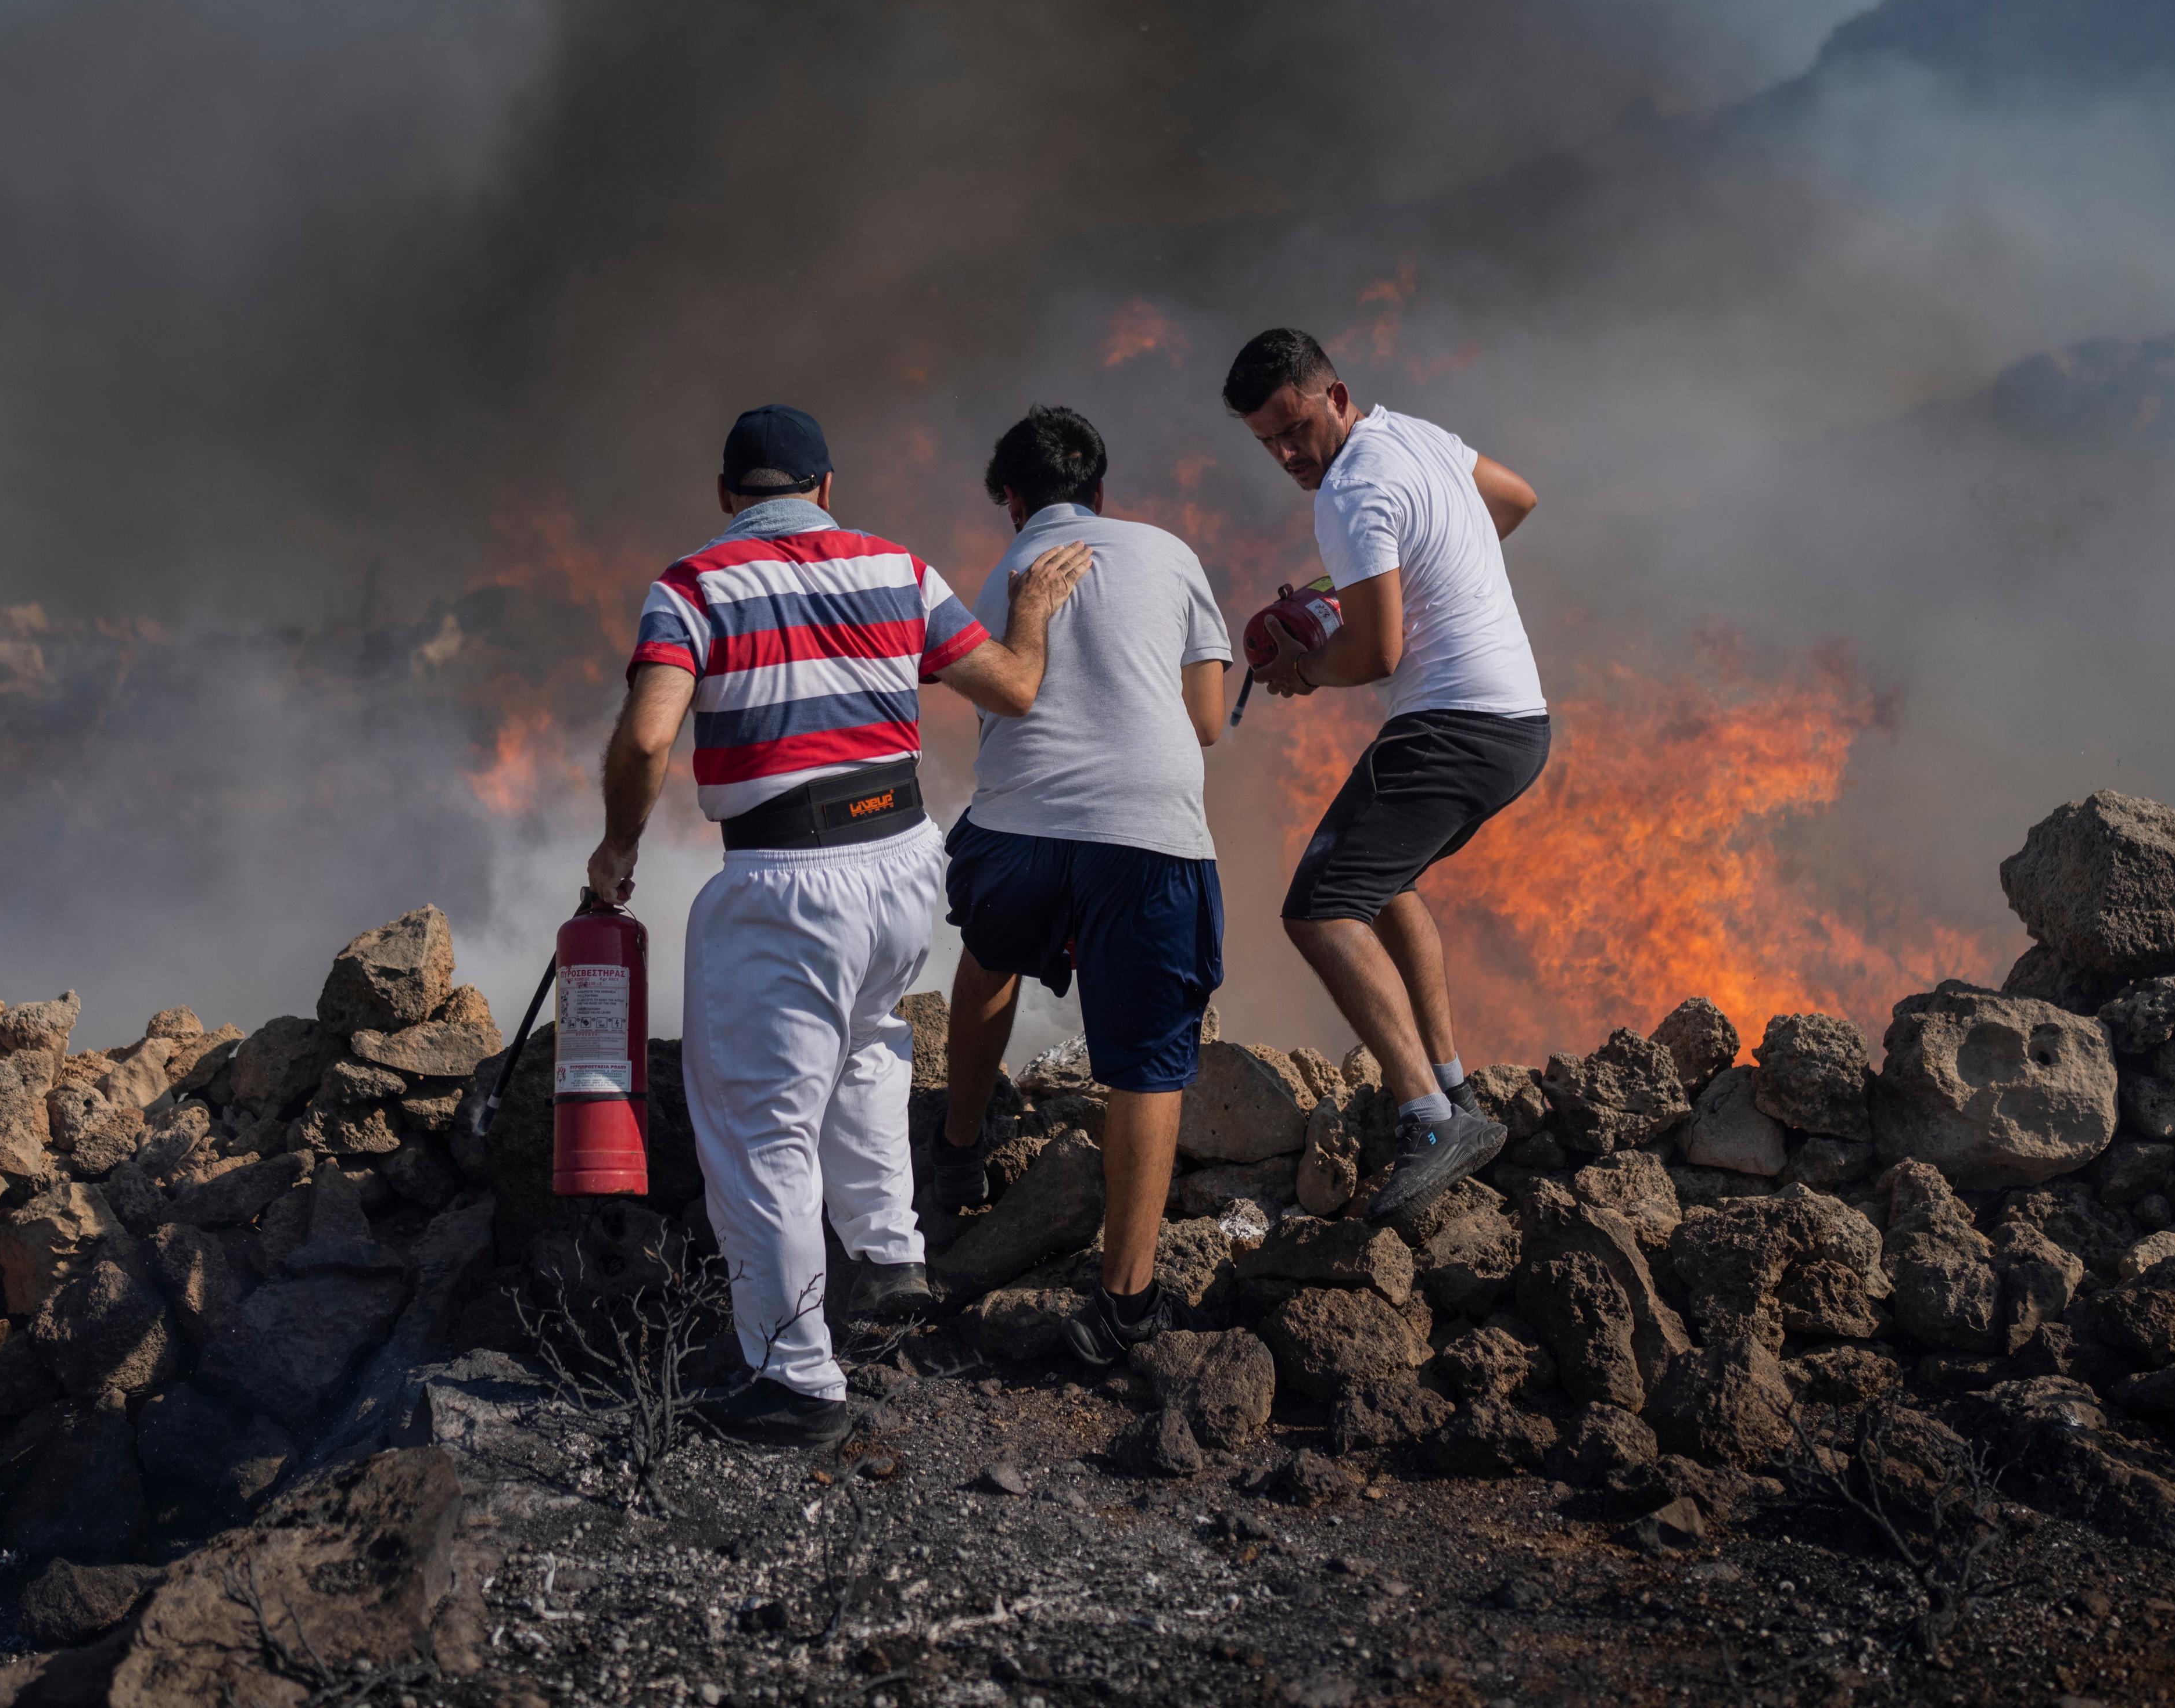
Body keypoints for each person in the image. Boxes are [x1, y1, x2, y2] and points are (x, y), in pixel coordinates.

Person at [588, 403, 1092, 1447]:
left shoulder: (693, 584)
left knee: (757, 1121)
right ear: (825, 488)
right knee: (870, 1041)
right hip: (908, 858)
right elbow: (1014, 683)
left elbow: (645, 742)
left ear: (727, 496)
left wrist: (617, 849)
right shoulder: (897, 567)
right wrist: (1034, 608)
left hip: (785, 877)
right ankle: (891, 1248)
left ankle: (796, 1380)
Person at [1222, 328, 1551, 1224]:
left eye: (1294, 428)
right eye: (1267, 442)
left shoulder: (1352, 486)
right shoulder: (1415, 437)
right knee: (1381, 882)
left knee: (1318, 909)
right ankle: (1454, 1091)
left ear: (1334, 396)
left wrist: (1304, 669)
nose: (1289, 454)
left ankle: (1427, 1116)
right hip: (1518, 720)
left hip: (1454, 721)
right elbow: (1516, 500)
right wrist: (1427, 574)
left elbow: (1378, 648)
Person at [927, 407, 1233, 1365]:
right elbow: (1210, 722)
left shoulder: (1001, 572)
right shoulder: (1169, 551)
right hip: (1148, 838)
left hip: (1016, 833)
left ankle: (961, 1145)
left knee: (989, 957)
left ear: (1013, 502)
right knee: (1145, 1058)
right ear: (1102, 492)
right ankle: (1125, 1305)